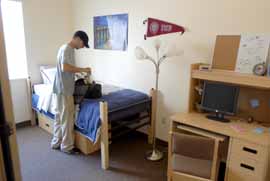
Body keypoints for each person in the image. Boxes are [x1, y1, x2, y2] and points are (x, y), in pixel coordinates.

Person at [51, 30, 91, 154]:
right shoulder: (68, 49)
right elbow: (65, 67)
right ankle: (67, 146)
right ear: (78, 39)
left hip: (59, 88)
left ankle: (56, 142)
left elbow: (66, 69)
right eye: (83, 44)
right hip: (64, 90)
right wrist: (83, 69)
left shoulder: (63, 48)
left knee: (59, 116)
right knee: (67, 118)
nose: (83, 46)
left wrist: (79, 72)